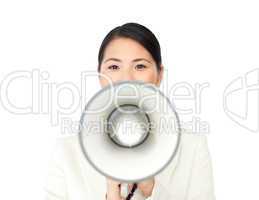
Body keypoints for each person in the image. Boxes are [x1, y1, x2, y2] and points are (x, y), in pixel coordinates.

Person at [45, 22, 215, 200]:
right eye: (114, 67)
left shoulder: (192, 147)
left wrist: (151, 189)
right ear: (99, 75)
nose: (126, 78)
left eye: (140, 66)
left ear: (159, 75)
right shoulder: (67, 152)